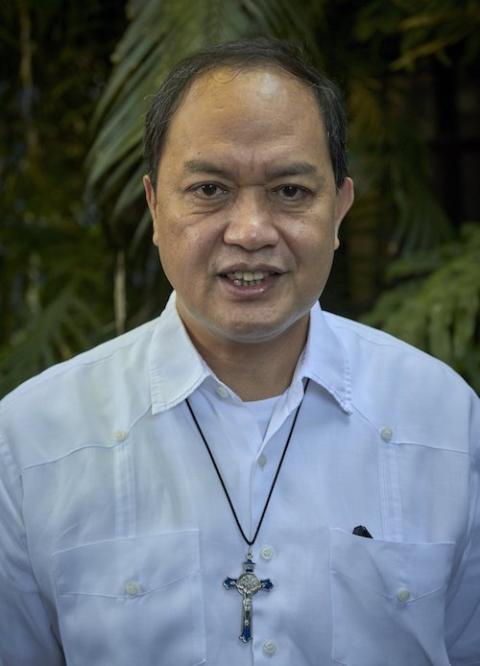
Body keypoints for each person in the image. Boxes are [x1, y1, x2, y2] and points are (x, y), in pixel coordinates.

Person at [0, 37, 479, 666]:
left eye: (289, 191)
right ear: (153, 205)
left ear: (340, 209)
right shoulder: (33, 440)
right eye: (209, 189)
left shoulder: (443, 419)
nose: (250, 231)